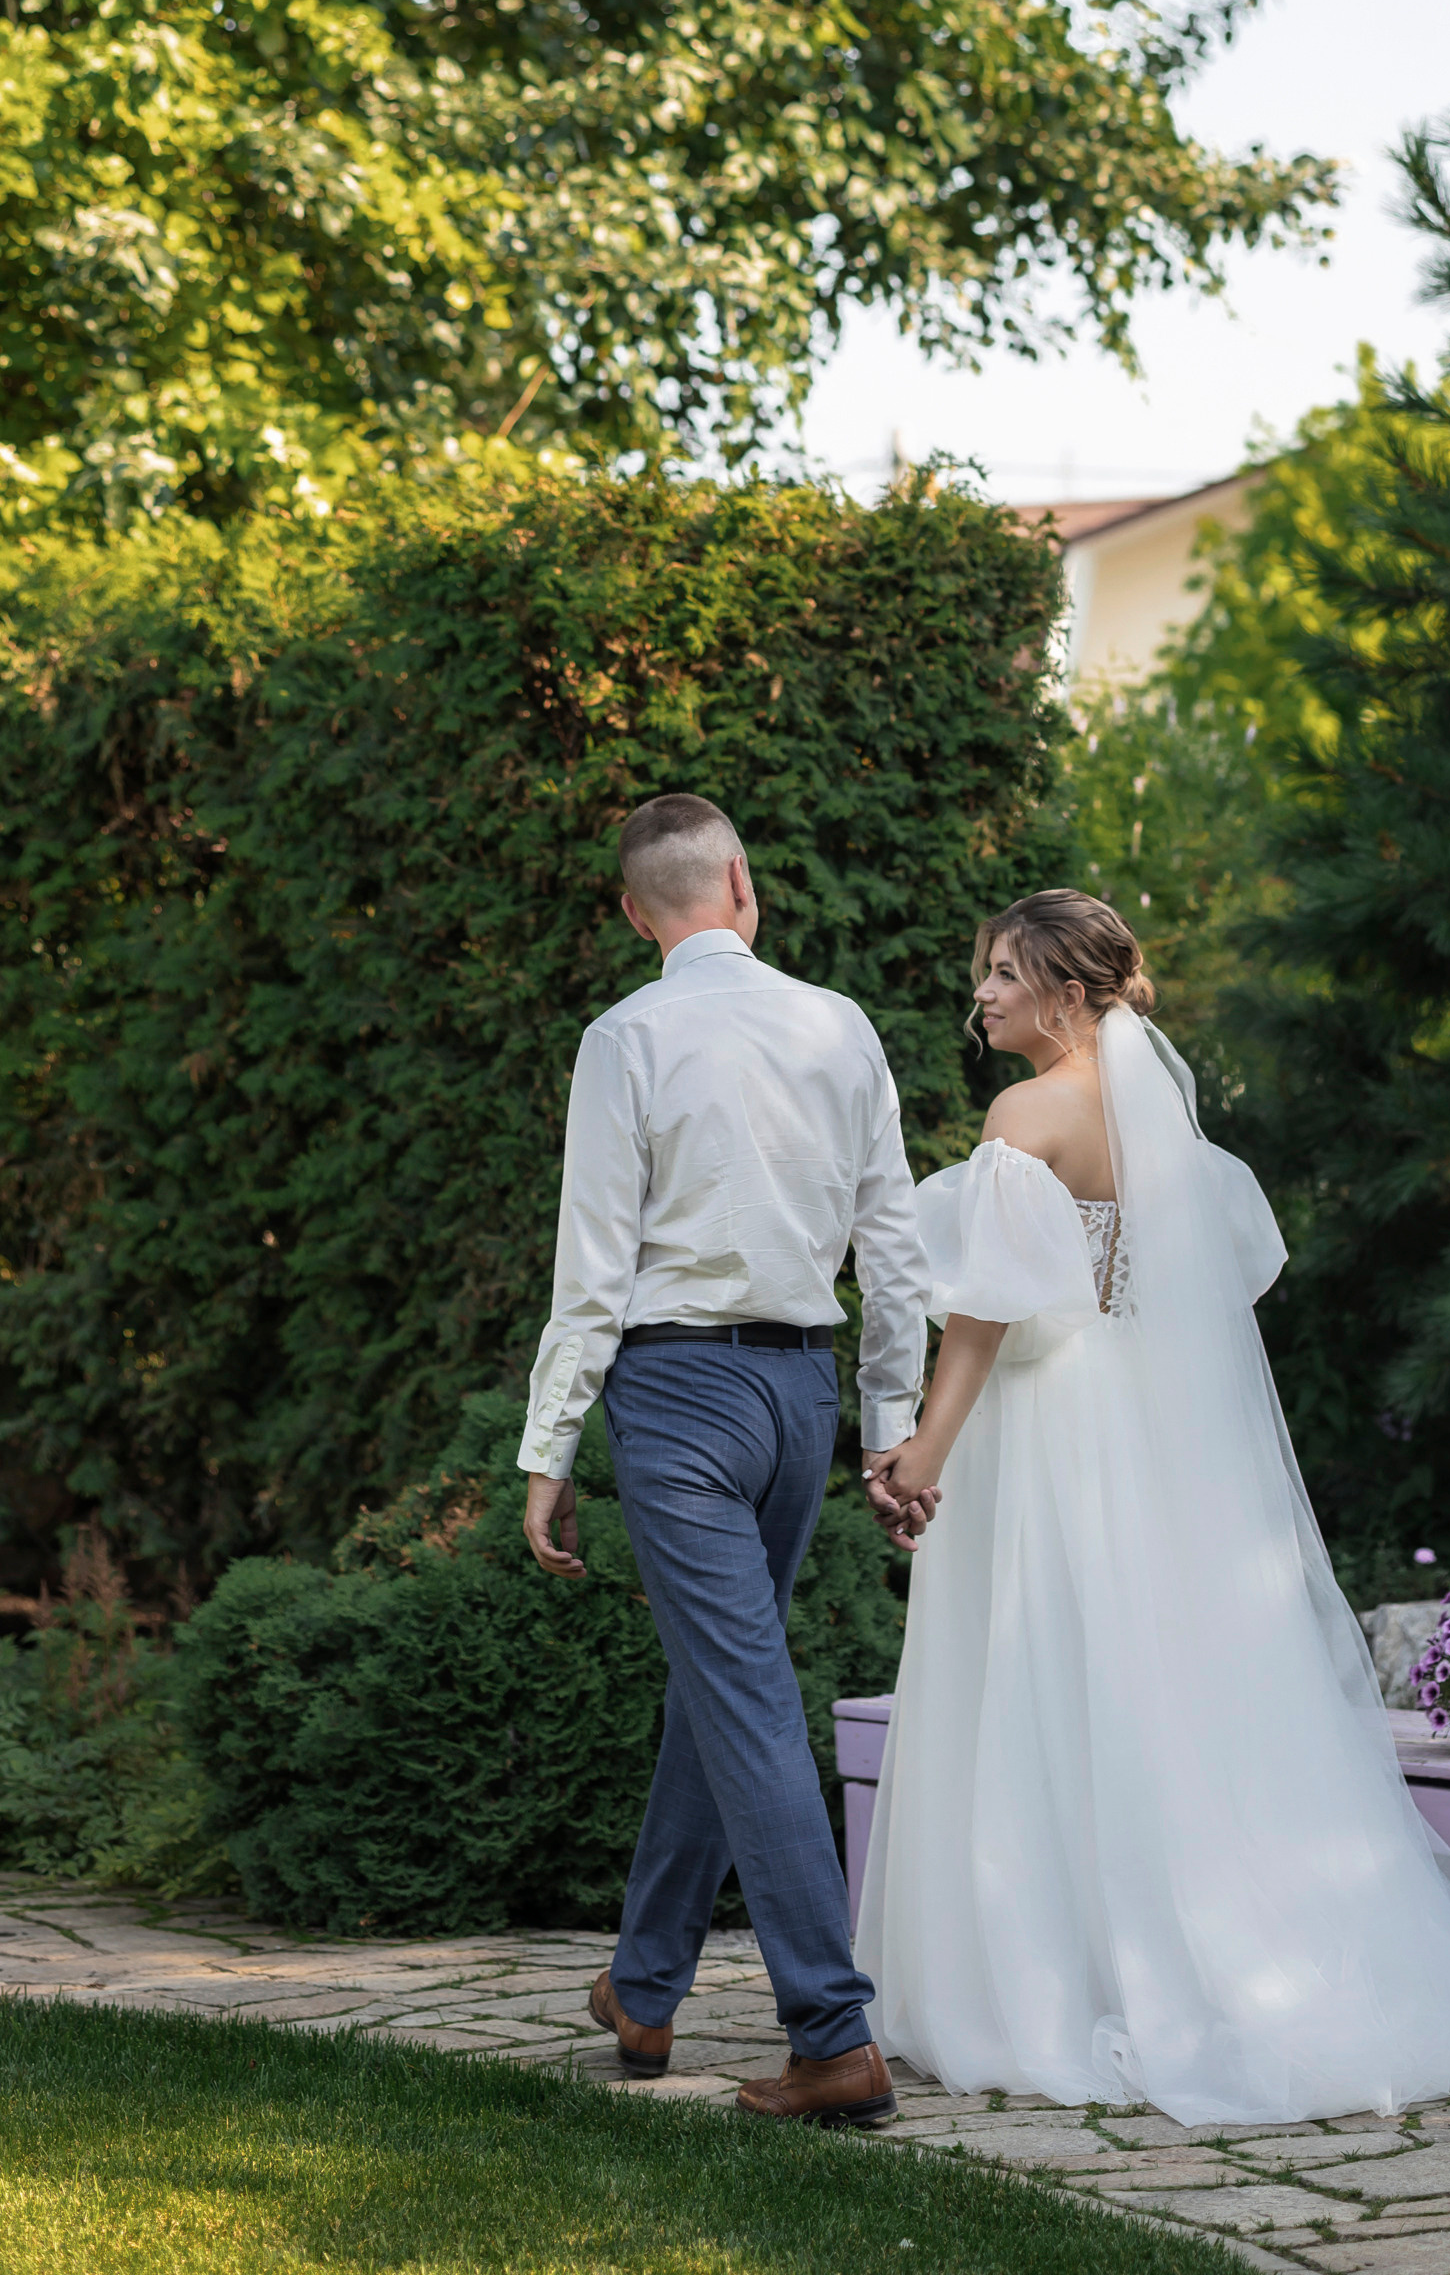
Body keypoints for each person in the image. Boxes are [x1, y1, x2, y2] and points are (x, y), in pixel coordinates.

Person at [857, 888, 1450, 2123]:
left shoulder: (1025, 1112)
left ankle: (1054, 1979)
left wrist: (919, 1451)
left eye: (1004, 973)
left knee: (1048, 1674)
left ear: (1068, 995)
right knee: (1150, 1684)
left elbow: (985, 1312)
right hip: (1145, 1435)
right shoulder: (1161, 1128)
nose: (984, 996)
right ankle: (1189, 1955)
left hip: (1048, 1434)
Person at [518, 793, 929, 2126]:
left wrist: (549, 1443)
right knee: (723, 1682)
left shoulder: (623, 1037)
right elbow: (897, 1251)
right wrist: (889, 1428)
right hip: (803, 1392)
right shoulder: (843, 1026)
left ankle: (832, 2033)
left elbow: (594, 1262)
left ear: (637, 913)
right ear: (742, 885)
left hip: (681, 1393)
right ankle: (644, 1989)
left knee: (742, 1692)